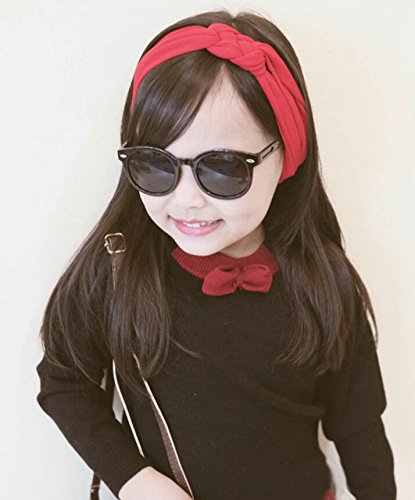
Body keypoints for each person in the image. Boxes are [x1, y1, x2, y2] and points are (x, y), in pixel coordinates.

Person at [35, 8, 397, 500]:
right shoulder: (119, 270)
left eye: (223, 169)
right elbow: (64, 382)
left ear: (286, 155)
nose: (186, 199)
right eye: (156, 165)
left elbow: (359, 425)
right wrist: (135, 480)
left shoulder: (323, 280)